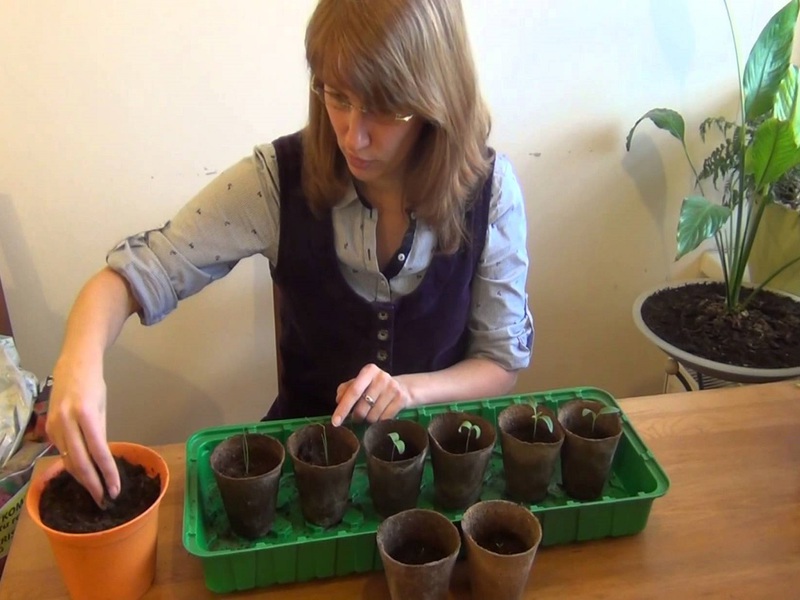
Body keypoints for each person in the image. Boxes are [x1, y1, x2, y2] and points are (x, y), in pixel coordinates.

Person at [47, 0, 534, 506]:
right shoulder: (277, 179)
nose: (353, 134)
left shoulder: (490, 191)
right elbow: (134, 275)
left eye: (386, 108)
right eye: (338, 96)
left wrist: (410, 391)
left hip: (442, 466)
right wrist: (77, 363)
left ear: (437, 98)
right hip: (304, 471)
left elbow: (499, 363)